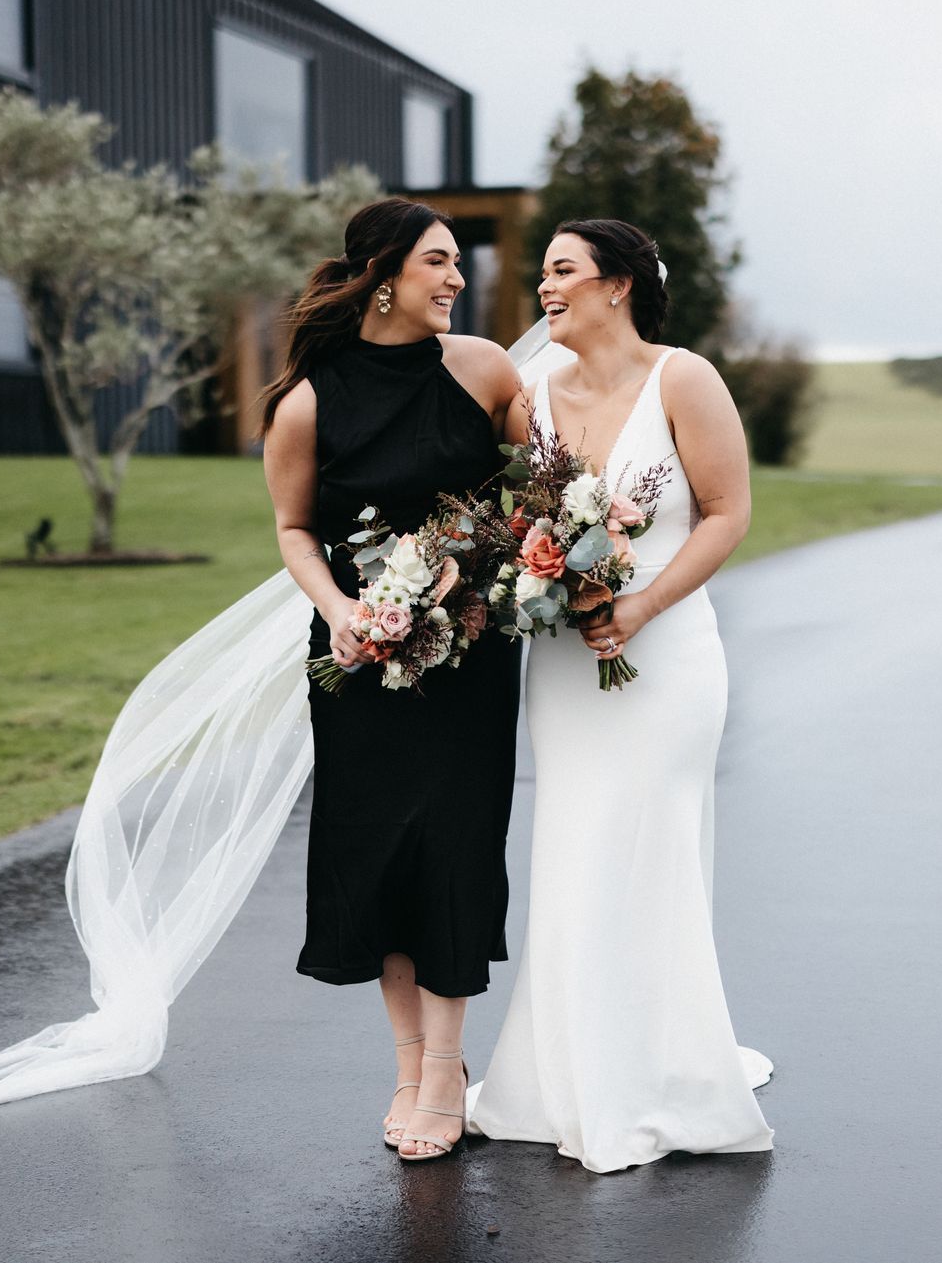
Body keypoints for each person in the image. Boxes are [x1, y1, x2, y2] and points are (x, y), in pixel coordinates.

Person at [467, 219, 775, 1173]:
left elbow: (727, 513)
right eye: (543, 272)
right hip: (567, 664)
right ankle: (564, 1068)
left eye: (561, 271)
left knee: (650, 844)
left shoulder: (684, 378)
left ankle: (659, 1069)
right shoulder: (531, 401)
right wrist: (545, 577)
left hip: (670, 653)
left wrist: (637, 605)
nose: (543, 288)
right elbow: (522, 520)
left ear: (620, 285)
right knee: (573, 844)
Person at [261, 198, 524, 1161]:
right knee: (381, 852)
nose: (457, 280)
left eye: (457, 263)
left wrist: (487, 563)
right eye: (438, 263)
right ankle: (410, 1067)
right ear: (382, 276)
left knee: (452, 846)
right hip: (363, 660)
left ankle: (448, 1075)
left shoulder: (487, 370)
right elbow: (294, 530)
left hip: (473, 659)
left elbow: (538, 491)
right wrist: (339, 610)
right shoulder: (306, 402)